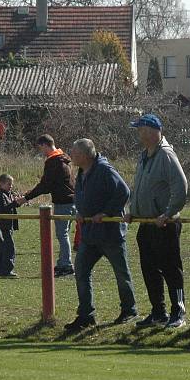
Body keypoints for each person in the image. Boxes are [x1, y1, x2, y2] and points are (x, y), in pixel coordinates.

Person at [123, 114, 189, 329]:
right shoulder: (144, 156)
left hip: (164, 224)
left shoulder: (166, 155)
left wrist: (168, 214)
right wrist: (132, 211)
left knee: (171, 268)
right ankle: (158, 312)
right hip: (146, 224)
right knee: (149, 268)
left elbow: (180, 187)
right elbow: (138, 187)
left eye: (140, 129)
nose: (138, 134)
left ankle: (178, 311)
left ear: (151, 131)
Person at [65, 138, 137, 333]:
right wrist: (80, 211)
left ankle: (129, 310)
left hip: (110, 234)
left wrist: (106, 213)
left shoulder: (105, 170)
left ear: (85, 155)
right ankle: (86, 315)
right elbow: (81, 196)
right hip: (90, 234)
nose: (72, 156)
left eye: (75, 153)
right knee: (80, 271)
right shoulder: (81, 172)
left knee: (121, 273)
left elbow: (124, 192)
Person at [16, 134, 76, 277]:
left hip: (63, 203)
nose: (41, 151)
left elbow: (45, 186)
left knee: (62, 235)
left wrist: (25, 198)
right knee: (64, 234)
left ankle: (66, 265)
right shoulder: (64, 158)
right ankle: (64, 263)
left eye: (40, 148)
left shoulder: (53, 161)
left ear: (44, 145)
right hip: (72, 201)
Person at [0, 173, 22, 278]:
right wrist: (15, 203)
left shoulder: (7, 194)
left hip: (6, 225)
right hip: (3, 225)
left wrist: (15, 202)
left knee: (2, 248)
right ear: (1, 184)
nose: (11, 186)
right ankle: (6, 271)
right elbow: (3, 210)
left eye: (11, 184)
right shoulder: (1, 195)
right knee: (9, 248)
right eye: (9, 184)